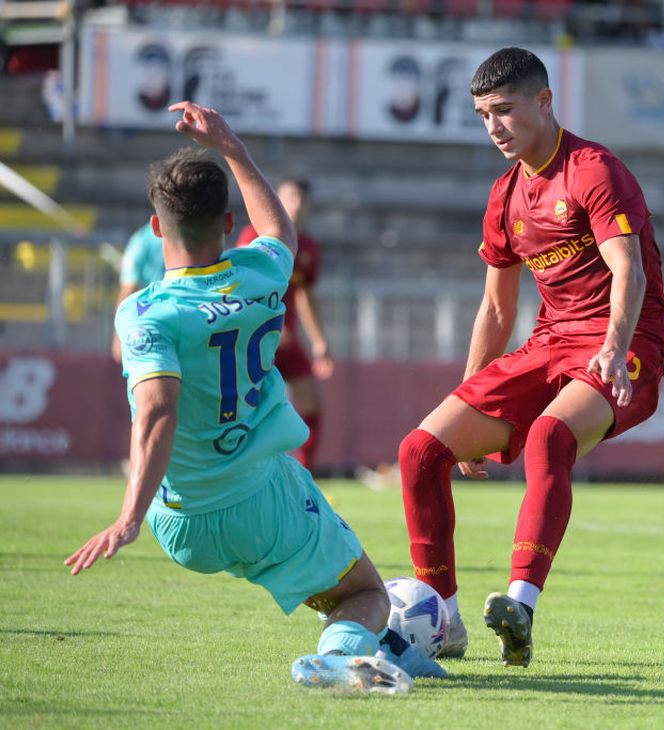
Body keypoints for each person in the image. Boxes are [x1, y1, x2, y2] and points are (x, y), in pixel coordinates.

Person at [65, 101, 445, 692]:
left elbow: (158, 412)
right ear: (225, 224)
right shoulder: (262, 272)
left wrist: (131, 518)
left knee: (325, 566)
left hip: (181, 523)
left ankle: (397, 650)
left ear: (156, 226)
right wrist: (231, 145)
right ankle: (345, 655)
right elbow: (279, 230)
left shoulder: (142, 314)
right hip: (261, 500)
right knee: (367, 592)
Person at [398, 47, 664, 667]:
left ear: (544, 102)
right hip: (550, 343)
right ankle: (442, 618)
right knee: (420, 451)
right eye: (482, 115)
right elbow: (497, 310)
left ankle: (520, 603)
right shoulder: (504, 196)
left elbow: (626, 270)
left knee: (551, 435)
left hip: (624, 340)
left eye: (504, 110)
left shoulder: (594, 170)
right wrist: (467, 395)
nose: (494, 127)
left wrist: (614, 347)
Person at [235, 178, 333, 472]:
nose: (297, 204)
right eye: (290, 197)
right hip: (254, 336)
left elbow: (305, 294)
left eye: (302, 198)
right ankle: (243, 468)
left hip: (285, 339)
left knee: (312, 400)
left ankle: (305, 471)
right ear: (276, 200)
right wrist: (267, 321)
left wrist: (319, 340)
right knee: (246, 407)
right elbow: (242, 283)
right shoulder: (256, 235)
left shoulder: (308, 247)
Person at [110, 221, 165, 363]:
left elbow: (128, 288)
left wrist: (119, 334)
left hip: (151, 326)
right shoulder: (193, 232)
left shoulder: (141, 241)